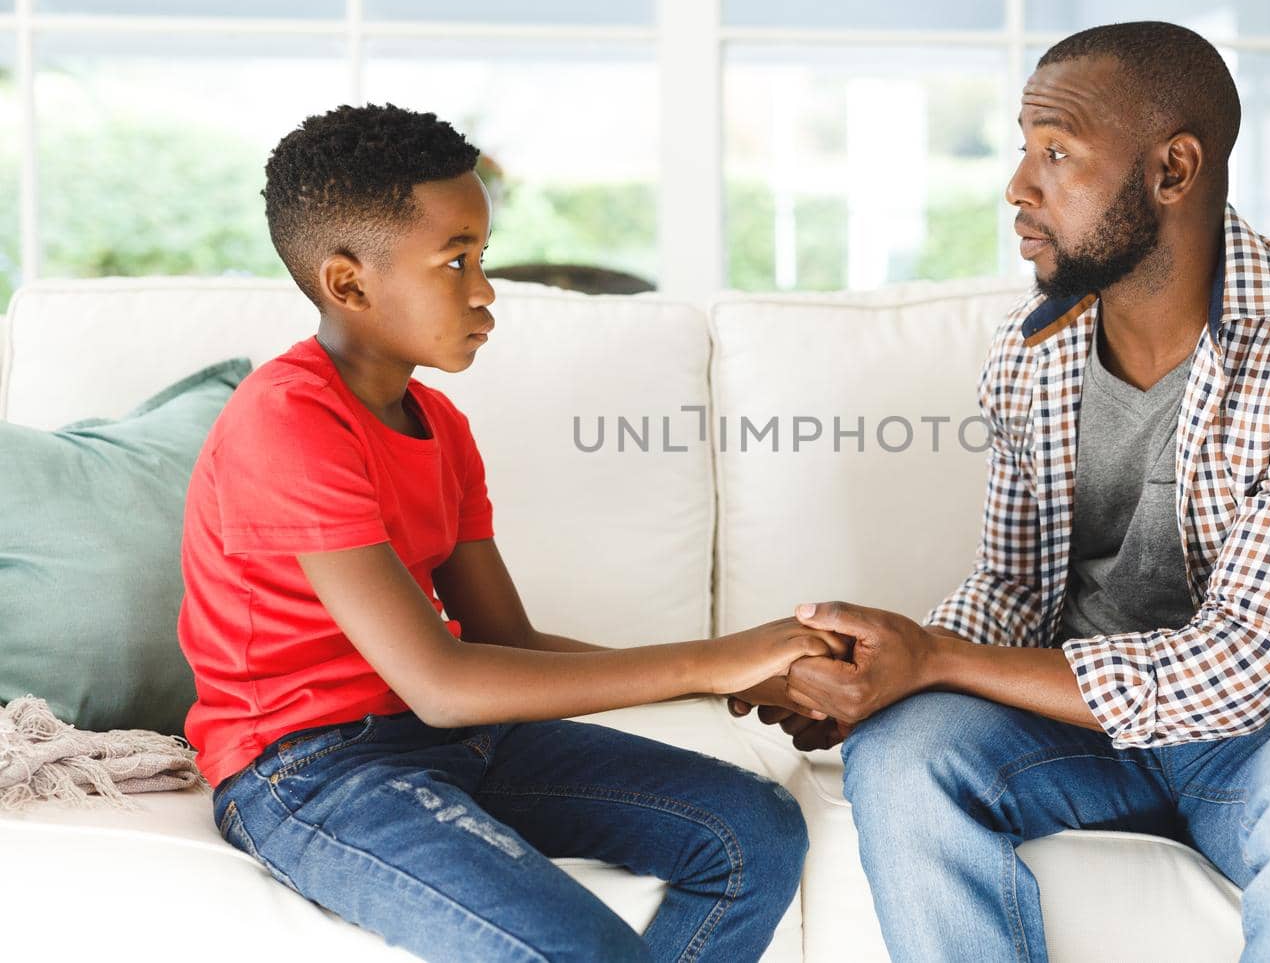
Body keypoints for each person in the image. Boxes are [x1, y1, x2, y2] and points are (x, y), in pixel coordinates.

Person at [732, 22, 1270, 962]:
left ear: (1174, 170)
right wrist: (875, 675)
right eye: (1022, 147)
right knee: (904, 750)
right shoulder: (1030, 353)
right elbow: (1012, 589)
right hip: (1083, 723)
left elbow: (1247, 663)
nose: (1017, 184)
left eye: (1056, 151)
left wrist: (933, 658)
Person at [178, 103, 835, 962]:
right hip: (310, 771)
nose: (486, 289)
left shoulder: (440, 426)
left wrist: (736, 678)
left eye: (481, 257)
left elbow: (505, 643)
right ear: (348, 282)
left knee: (753, 831)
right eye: (455, 261)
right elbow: (441, 681)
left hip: (450, 742)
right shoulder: (286, 420)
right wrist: (715, 657)